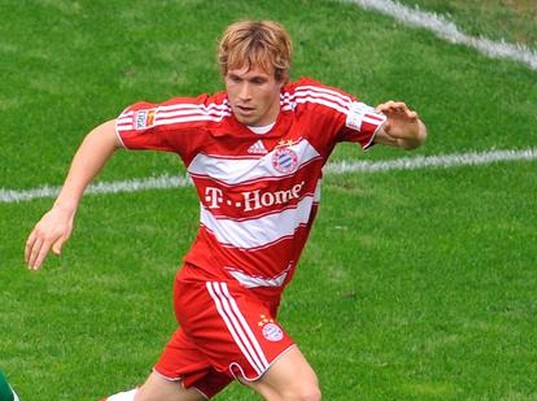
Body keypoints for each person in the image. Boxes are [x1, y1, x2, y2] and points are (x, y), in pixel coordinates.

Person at [25, 20, 426, 401]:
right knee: (300, 391)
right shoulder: (199, 121)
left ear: (282, 81)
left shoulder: (316, 110)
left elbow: (403, 136)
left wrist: (410, 132)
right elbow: (108, 133)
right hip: (213, 290)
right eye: (235, 79)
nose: (244, 95)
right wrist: (64, 207)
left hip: (260, 297)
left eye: (257, 81)